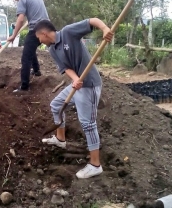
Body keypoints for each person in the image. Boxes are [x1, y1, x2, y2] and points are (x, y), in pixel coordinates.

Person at [34, 18, 114, 179]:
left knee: (88, 124)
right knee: (56, 105)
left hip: (89, 85)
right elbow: (66, 68)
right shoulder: (52, 50)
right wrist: (75, 78)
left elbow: (92, 21)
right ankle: (60, 138)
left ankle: (95, 165)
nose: (39, 41)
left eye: (38, 37)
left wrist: (105, 29)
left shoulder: (68, 32)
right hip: (78, 84)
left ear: (43, 33)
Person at [7, 0, 49, 92]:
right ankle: (36, 71)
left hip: (36, 30)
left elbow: (20, 20)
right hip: (48, 29)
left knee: (25, 58)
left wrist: (13, 35)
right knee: (30, 48)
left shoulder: (23, 0)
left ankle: (24, 87)